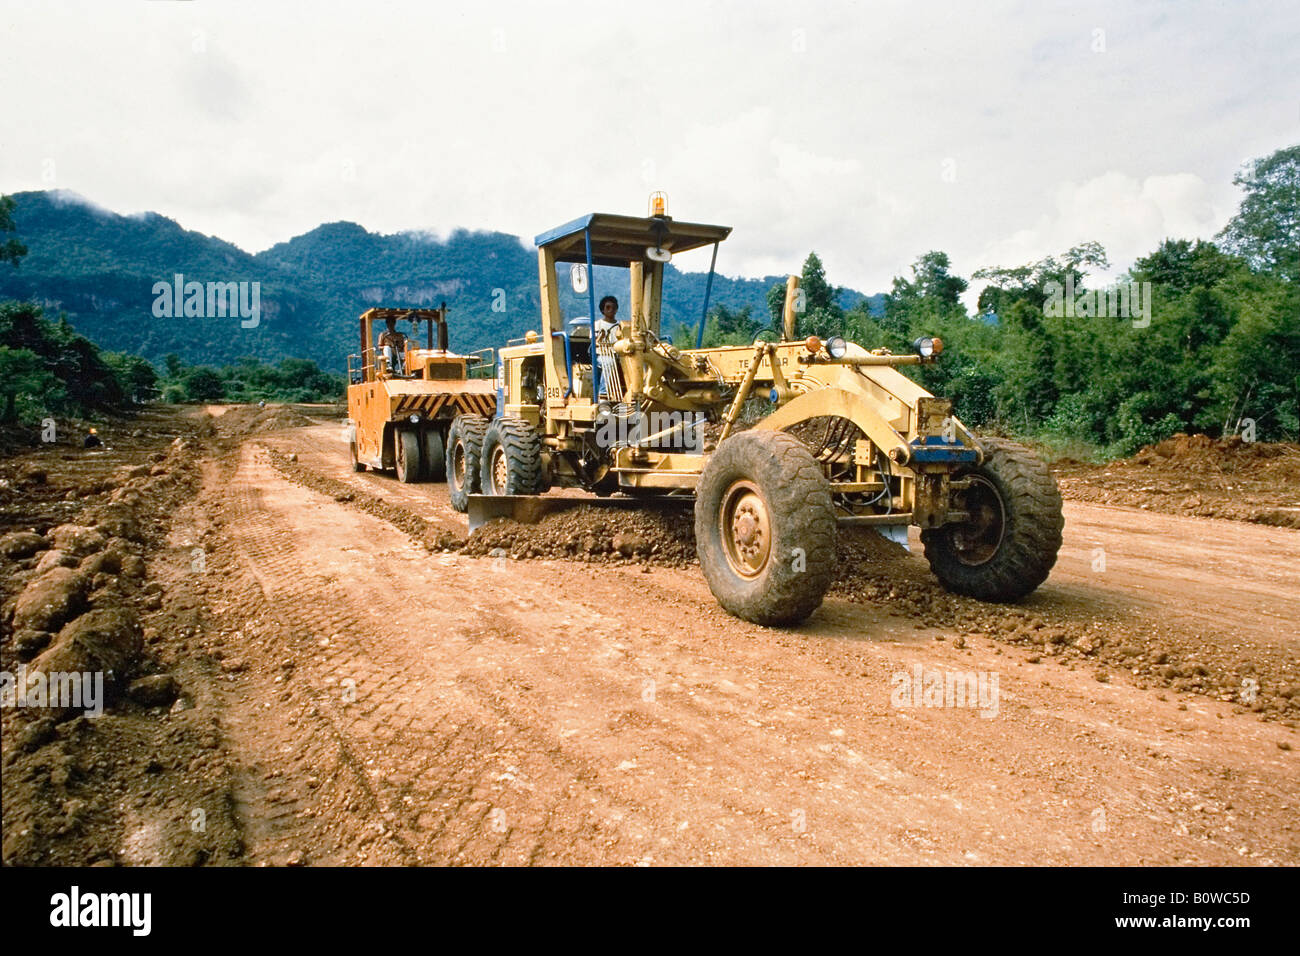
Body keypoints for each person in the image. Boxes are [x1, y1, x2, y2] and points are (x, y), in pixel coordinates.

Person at [593, 296, 623, 400]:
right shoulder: (597, 324)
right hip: (601, 355)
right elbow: (595, 342)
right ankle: (603, 395)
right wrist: (601, 337)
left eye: (613, 308)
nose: (611, 310)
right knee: (609, 362)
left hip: (618, 355)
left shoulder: (620, 326)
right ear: (603, 310)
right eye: (608, 307)